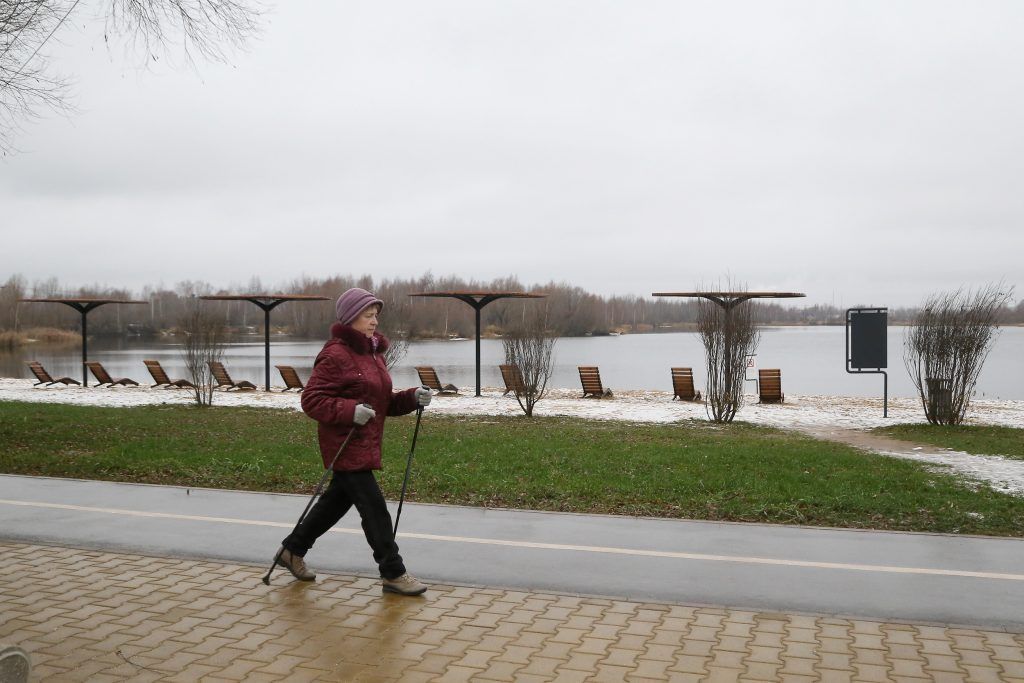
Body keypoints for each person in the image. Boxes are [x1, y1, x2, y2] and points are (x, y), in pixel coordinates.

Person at [274, 287, 432, 596]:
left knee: (333, 505)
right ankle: (393, 572)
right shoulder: (335, 354)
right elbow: (312, 400)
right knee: (374, 509)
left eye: (376, 316)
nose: (374, 321)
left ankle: (292, 550)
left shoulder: (372, 354)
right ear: (350, 318)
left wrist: (413, 397)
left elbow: (383, 403)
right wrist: (349, 411)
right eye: (368, 315)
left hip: (365, 442)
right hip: (344, 443)